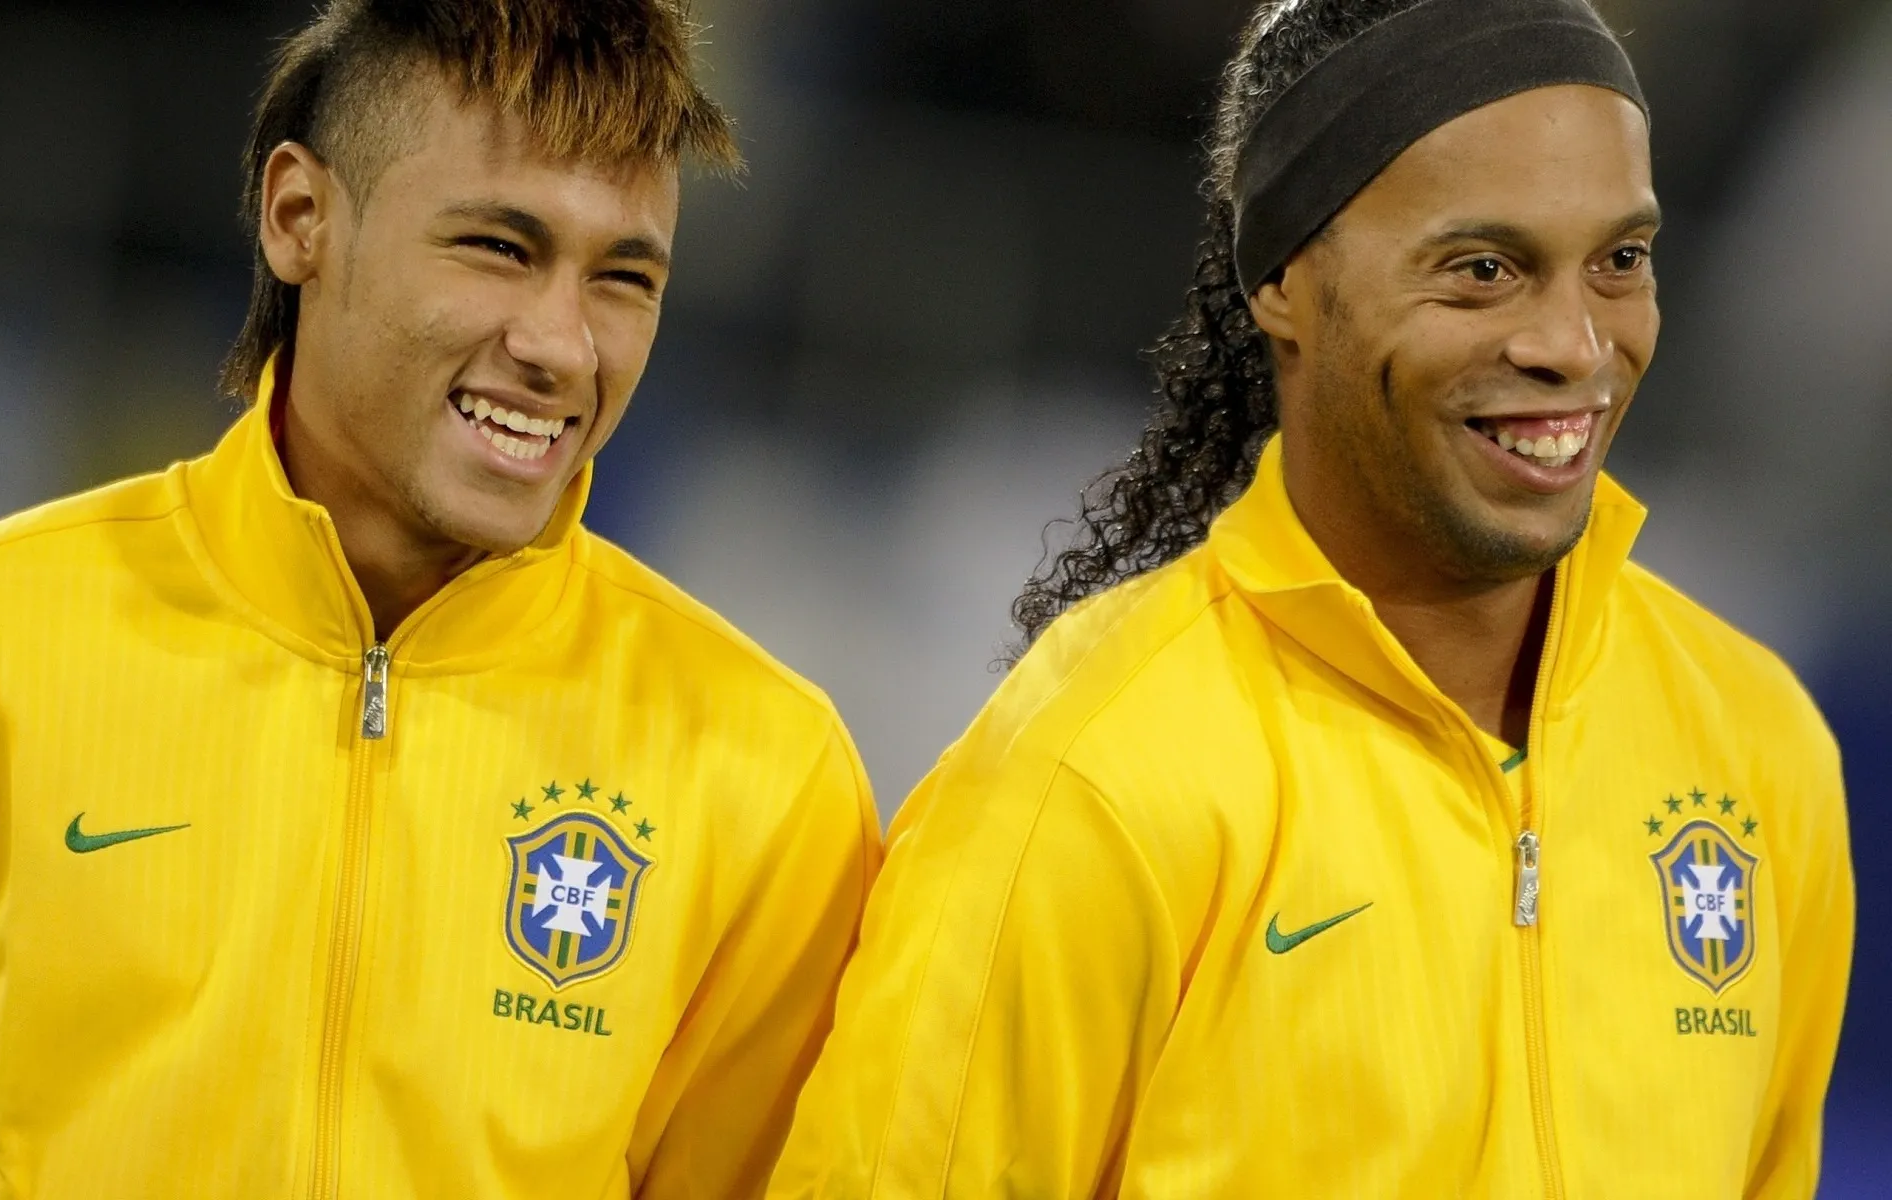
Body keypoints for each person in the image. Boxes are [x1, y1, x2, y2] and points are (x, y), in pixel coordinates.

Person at [772, 0, 1853, 1195]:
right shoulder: (1093, 777)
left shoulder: (1757, 756)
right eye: (1483, 269)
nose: (1575, 345)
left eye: (1620, 263)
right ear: (1286, 281)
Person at [0, 1, 879, 1195]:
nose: (563, 345)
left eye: (622, 277)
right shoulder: (3, 636)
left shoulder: (767, 778)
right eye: (498, 247)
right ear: (301, 218)